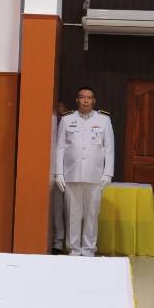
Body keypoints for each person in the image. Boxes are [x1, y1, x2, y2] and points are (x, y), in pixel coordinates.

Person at [52, 88, 113, 258]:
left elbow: (109, 149)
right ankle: (74, 250)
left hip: (95, 176)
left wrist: (108, 174)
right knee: (73, 214)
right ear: (77, 100)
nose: (86, 100)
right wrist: (59, 173)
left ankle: (88, 250)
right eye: (82, 97)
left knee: (92, 215)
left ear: (94, 100)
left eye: (89, 98)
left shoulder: (104, 120)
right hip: (71, 175)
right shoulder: (67, 119)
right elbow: (60, 148)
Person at [49, 101, 68, 254]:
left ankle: (71, 242)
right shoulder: (50, 124)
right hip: (53, 171)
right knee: (57, 208)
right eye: (58, 110)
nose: (61, 113)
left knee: (72, 210)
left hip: (71, 171)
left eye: (63, 110)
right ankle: (58, 241)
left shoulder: (70, 123)